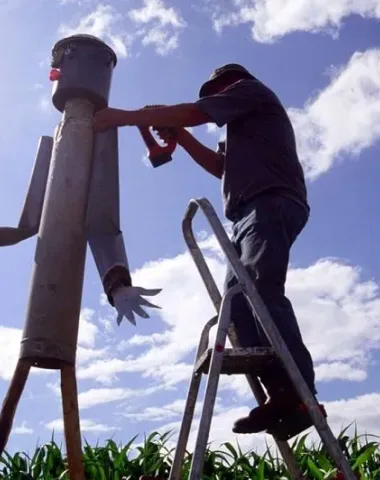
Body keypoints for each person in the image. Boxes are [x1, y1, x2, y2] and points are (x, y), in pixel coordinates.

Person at [93, 63, 317, 435]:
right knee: (236, 303)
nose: (211, 99)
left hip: (270, 202)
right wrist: (178, 135)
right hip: (247, 212)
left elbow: (198, 112)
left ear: (228, 85)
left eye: (214, 92)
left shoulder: (250, 91)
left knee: (260, 290)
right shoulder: (241, 126)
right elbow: (220, 167)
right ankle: (279, 393)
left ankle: (300, 393)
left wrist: (126, 117)